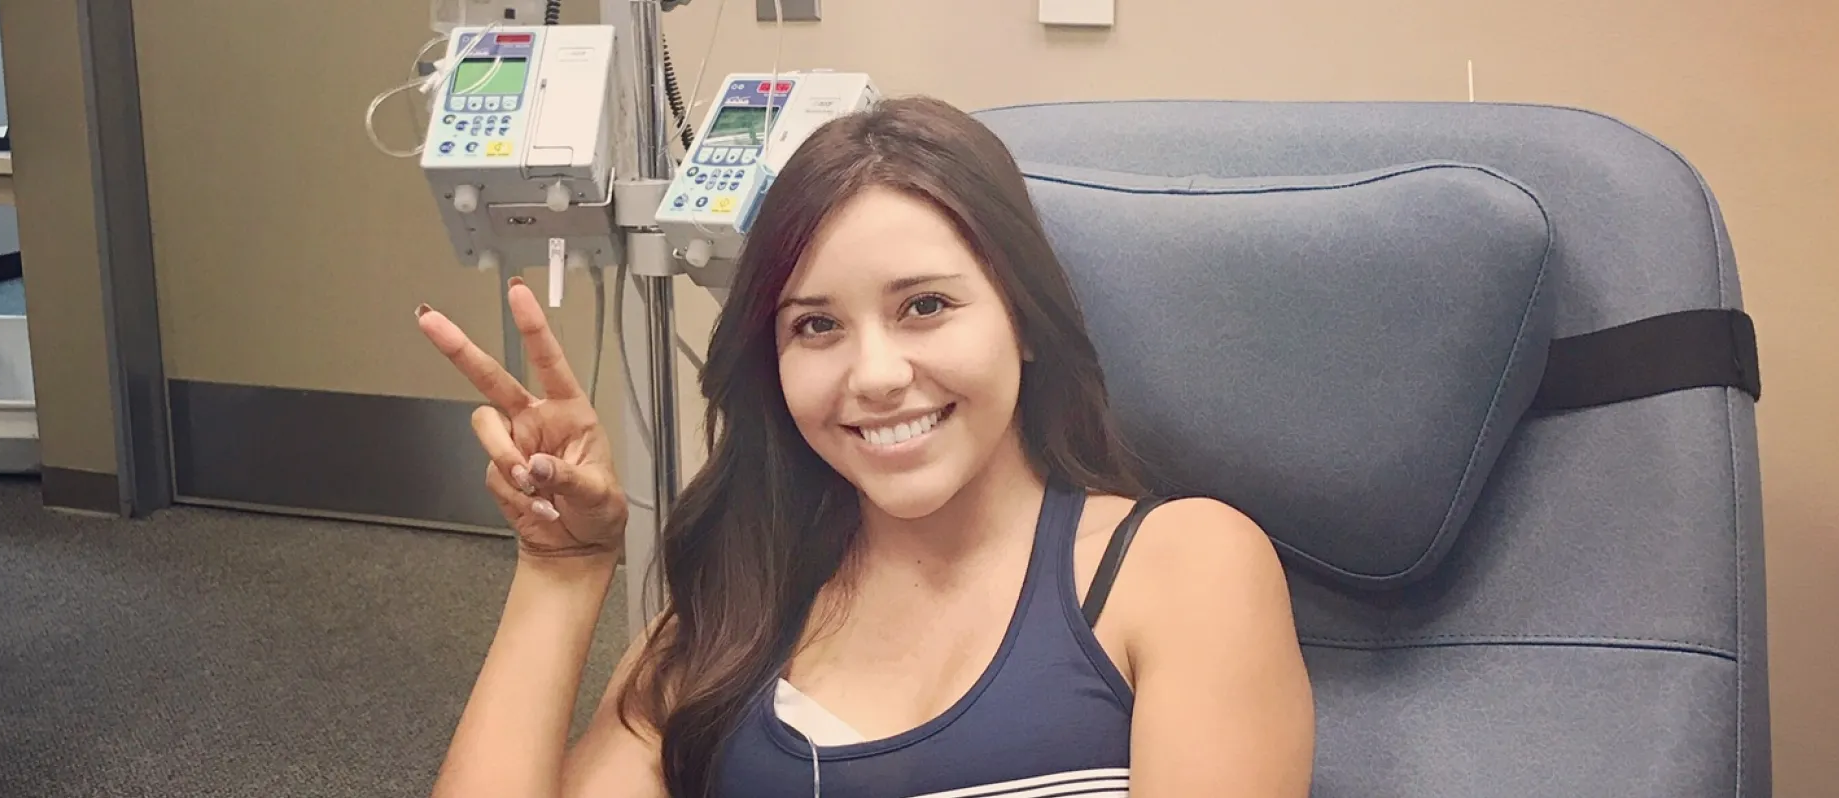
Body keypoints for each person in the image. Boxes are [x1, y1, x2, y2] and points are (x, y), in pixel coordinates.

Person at [417, 96, 1314, 797]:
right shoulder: (736, 612)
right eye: (816, 326)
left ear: (1024, 320)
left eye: (925, 306)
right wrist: (564, 569)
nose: (876, 375)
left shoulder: (1182, 567)